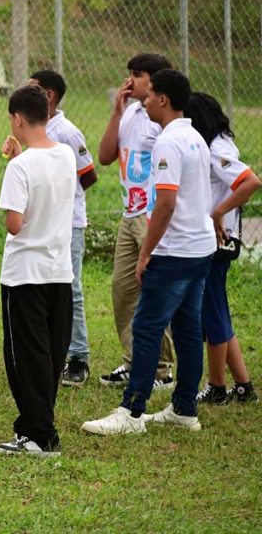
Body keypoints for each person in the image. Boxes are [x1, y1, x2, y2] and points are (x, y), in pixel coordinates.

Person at [82, 69, 215, 436]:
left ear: (164, 100)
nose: (144, 98)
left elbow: (166, 204)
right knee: (188, 328)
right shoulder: (195, 137)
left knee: (146, 326)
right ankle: (185, 408)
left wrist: (146, 254)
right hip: (200, 248)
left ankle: (132, 411)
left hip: (176, 250)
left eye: (150, 92)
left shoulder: (168, 143)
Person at [0, 84, 76, 456]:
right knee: (49, 355)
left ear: (17, 118)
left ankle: (38, 434)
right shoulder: (66, 155)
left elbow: (14, 223)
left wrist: (13, 163)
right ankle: (37, 427)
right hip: (59, 271)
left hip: (24, 273)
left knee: (24, 357)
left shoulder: (22, 167)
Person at [97, 53, 176, 389]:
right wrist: (117, 111)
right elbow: (104, 156)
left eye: (138, 75)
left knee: (152, 290)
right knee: (123, 290)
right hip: (130, 215)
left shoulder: (161, 119)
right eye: (128, 74)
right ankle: (133, 362)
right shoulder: (130, 112)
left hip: (150, 217)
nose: (130, 81)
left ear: (155, 82)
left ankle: (161, 370)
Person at [183, 92, 260, 405]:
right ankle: (242, 385)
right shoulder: (218, 144)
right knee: (216, 311)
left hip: (218, 240)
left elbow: (250, 182)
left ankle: (217, 387)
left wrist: (217, 213)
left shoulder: (215, 149)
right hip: (218, 238)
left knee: (212, 313)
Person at [29, 70, 97, 387]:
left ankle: (78, 357)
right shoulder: (33, 128)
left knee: (71, 287)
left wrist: (62, 197)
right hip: (41, 221)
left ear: (50, 95)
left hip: (68, 222)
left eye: (33, 90)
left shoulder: (67, 132)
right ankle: (53, 352)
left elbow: (89, 175)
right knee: (47, 287)